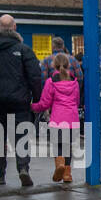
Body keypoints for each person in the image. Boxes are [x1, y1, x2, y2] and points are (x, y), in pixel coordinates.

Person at [0, 14, 43, 187]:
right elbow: (34, 76)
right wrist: (37, 100)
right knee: (21, 136)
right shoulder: (23, 49)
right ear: (15, 27)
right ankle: (23, 168)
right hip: (19, 100)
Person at [30, 52, 82, 184]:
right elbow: (76, 101)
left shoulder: (51, 82)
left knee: (57, 145)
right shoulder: (74, 82)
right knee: (67, 146)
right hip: (72, 120)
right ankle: (67, 175)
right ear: (68, 65)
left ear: (54, 66)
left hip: (58, 119)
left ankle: (59, 164)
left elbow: (45, 103)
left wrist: (32, 107)